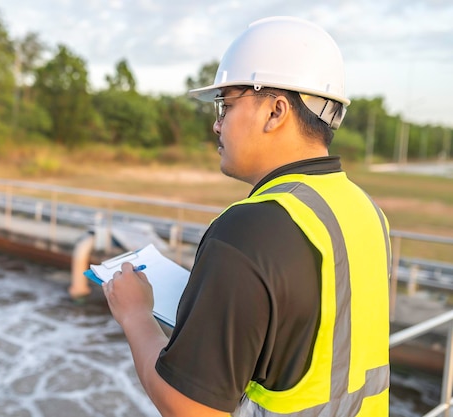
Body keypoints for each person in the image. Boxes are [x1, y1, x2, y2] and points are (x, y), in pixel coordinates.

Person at [102, 16, 391, 417]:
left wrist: (135, 315)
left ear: (275, 112)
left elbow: (191, 409)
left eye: (227, 105)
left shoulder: (248, 231)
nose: (217, 124)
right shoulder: (366, 210)